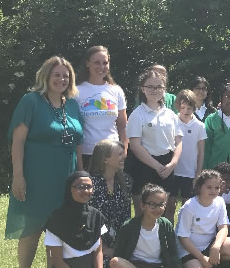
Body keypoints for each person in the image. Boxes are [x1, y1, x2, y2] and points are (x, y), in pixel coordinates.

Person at [8, 56, 83, 268]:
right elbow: (17, 141)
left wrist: (81, 175)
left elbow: (78, 143)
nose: (62, 79)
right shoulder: (31, 101)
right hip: (37, 175)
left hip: (66, 177)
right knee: (32, 227)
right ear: (46, 76)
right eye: (57, 75)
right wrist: (18, 176)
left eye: (66, 75)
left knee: (59, 229)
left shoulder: (71, 104)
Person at [45, 171, 120, 268]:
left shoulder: (95, 215)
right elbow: (57, 262)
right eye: (80, 187)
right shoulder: (56, 219)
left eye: (88, 187)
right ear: (69, 189)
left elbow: (98, 250)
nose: (85, 191)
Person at [109, 184, 196, 268]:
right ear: (143, 205)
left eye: (161, 204)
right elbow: (119, 254)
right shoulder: (129, 226)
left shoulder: (166, 225)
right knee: (115, 262)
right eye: (152, 205)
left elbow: (173, 253)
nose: (157, 209)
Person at [126, 68, 183, 221]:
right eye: (150, 86)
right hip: (145, 165)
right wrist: (157, 166)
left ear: (164, 90)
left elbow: (178, 142)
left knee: (163, 209)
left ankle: (162, 241)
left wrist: (172, 164)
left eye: (159, 87)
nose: (154, 90)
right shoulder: (137, 114)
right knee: (145, 211)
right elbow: (135, 145)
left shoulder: (170, 114)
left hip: (167, 166)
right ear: (143, 89)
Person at [76, 46, 128, 169]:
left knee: (111, 188)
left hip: (113, 154)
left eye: (105, 63)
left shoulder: (116, 90)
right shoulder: (76, 91)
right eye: (96, 62)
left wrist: (124, 151)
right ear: (87, 64)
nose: (101, 67)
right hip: (87, 153)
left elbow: (123, 125)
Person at [88, 139, 133, 268]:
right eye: (119, 154)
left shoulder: (126, 181)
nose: (124, 156)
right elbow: (90, 221)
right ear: (105, 159)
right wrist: (105, 248)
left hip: (119, 240)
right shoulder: (90, 185)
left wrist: (122, 244)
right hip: (96, 242)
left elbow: (126, 216)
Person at [171, 90, 207, 203]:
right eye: (183, 107)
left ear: (194, 107)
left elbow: (201, 152)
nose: (185, 111)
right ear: (178, 107)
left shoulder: (200, 126)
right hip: (173, 171)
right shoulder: (171, 122)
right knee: (170, 203)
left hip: (190, 172)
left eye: (189, 108)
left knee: (187, 204)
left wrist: (198, 172)